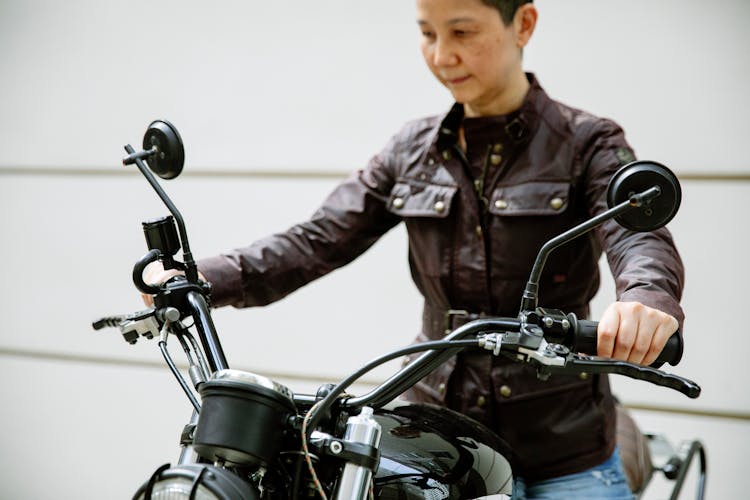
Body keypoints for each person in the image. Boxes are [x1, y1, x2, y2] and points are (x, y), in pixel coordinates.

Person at [145, 0, 684, 498]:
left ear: (522, 24)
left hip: (563, 450)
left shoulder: (586, 142)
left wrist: (646, 300)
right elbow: (316, 239)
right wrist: (199, 279)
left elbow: (637, 233)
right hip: (436, 436)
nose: (442, 55)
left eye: (462, 32)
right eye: (427, 34)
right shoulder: (412, 149)